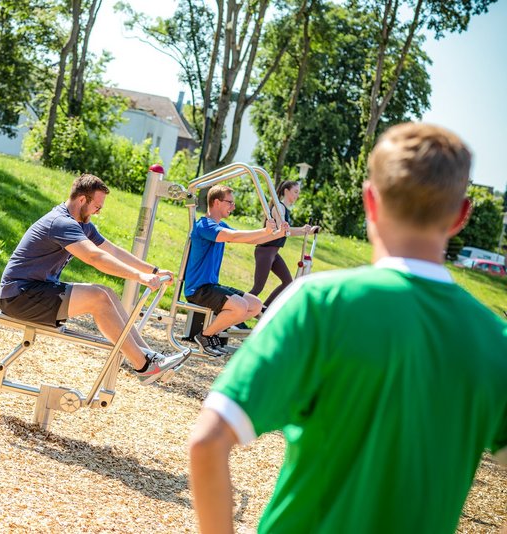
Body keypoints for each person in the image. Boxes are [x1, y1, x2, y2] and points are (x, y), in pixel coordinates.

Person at [188, 123, 507, 533]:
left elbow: (207, 442)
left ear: (370, 202)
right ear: (461, 216)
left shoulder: (317, 305)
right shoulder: (493, 342)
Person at [0, 174, 190, 385]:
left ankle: (150, 358)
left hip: (37, 290)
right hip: (19, 296)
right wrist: (140, 277)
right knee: (98, 298)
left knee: (106, 293)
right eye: (97, 207)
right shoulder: (61, 222)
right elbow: (94, 257)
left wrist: (152, 270)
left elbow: (112, 251)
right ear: (82, 200)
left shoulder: (82, 224)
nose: (98, 212)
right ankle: (143, 365)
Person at [183, 185, 288, 357]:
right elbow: (233, 236)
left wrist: (276, 233)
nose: (233, 207)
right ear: (216, 202)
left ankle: (213, 334)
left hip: (211, 285)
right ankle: (205, 336)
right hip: (198, 289)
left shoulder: (220, 224)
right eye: (230, 203)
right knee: (240, 307)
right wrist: (265, 230)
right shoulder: (205, 226)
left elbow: (247, 239)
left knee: (254, 305)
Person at [248, 180, 319, 309]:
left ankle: (264, 310)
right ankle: (234, 312)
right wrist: (303, 230)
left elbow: (286, 232)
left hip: (273, 253)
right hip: (265, 251)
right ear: (286, 191)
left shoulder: (284, 209)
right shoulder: (279, 207)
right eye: (295, 192)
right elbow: (284, 231)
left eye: (298, 193)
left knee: (287, 282)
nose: (297, 195)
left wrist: (307, 231)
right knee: (257, 288)